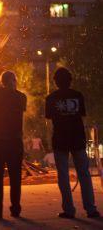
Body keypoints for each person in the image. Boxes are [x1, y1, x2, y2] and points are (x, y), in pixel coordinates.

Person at [45, 67, 100, 219]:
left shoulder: (51, 98)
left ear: (55, 81)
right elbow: (83, 117)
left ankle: (69, 210)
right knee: (84, 174)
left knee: (63, 176)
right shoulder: (78, 95)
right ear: (70, 80)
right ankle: (91, 209)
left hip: (60, 140)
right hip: (77, 139)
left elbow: (49, 119)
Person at [0, 70, 27, 219]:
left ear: (2, 81)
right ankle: (15, 209)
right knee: (15, 177)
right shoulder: (21, 97)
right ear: (14, 80)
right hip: (15, 141)